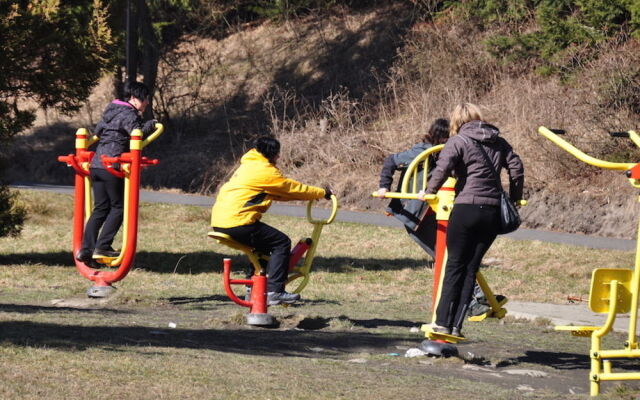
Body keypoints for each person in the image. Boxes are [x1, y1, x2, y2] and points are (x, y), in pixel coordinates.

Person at [425, 103, 524, 337]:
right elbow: (517, 169)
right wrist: (515, 198)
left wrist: (429, 191)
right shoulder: (499, 142)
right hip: (491, 213)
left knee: (455, 266)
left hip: (466, 208)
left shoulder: (458, 141)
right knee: (470, 268)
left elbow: (442, 168)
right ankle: (457, 326)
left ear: (456, 122)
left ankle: (442, 323)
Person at [211, 136, 332, 306]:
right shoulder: (265, 170)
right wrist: (321, 193)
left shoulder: (249, 165)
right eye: (277, 154)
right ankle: (275, 291)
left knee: (260, 250)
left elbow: (278, 193)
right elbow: (290, 188)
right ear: (272, 154)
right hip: (238, 222)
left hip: (222, 221)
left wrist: (312, 195)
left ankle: (252, 289)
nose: (279, 158)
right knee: (281, 242)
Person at [76, 81, 157, 265]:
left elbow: (97, 131)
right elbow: (137, 134)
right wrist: (151, 124)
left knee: (100, 208)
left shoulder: (110, 110)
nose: (146, 104)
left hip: (96, 164)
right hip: (112, 164)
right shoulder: (129, 114)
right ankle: (103, 246)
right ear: (135, 98)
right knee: (119, 207)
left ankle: (86, 249)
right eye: (145, 100)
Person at [376, 118, 450, 259]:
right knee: (436, 246)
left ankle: (458, 271)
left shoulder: (450, 153)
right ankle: (454, 271)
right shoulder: (422, 152)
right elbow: (391, 161)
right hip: (418, 209)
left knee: (449, 243)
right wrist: (384, 187)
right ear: (441, 138)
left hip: (440, 206)